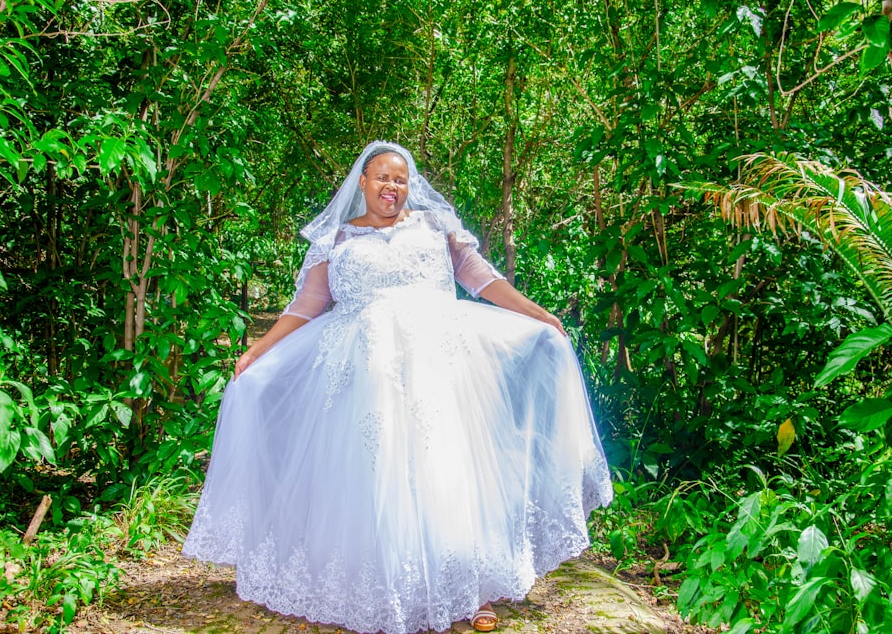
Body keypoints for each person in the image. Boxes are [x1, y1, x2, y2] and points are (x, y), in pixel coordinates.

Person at [182, 141, 612, 634]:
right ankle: (378, 586)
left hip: (438, 358)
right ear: (362, 183)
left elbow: (480, 279)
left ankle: (471, 588)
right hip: (363, 368)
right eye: (383, 178)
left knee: (447, 466)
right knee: (373, 471)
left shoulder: (434, 226)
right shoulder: (336, 239)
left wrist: (537, 315)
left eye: (401, 180)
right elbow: (307, 305)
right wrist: (258, 350)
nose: (392, 187)